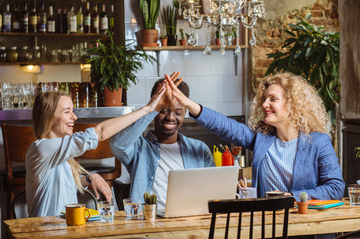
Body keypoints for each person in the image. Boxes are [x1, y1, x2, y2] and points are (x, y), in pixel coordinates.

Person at [165, 72, 345, 201]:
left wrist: (292, 198)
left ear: (293, 104)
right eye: (264, 99)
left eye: (273, 99)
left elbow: (335, 188)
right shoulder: (262, 139)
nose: (265, 103)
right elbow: (225, 126)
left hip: (307, 229)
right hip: (268, 227)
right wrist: (188, 104)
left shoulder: (318, 142)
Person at [26, 83, 166, 217]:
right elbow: (100, 132)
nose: (74, 117)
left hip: (65, 228)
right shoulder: (41, 149)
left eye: (72, 111)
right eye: (67, 112)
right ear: (48, 116)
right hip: (46, 230)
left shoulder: (60, 153)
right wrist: (148, 109)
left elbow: (64, 185)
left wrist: (90, 177)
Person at [110, 72, 215, 209]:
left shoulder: (199, 149)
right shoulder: (139, 148)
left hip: (189, 220)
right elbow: (117, 144)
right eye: (163, 110)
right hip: (149, 222)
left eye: (178, 112)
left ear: (185, 113)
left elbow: (212, 190)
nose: (171, 117)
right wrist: (152, 108)